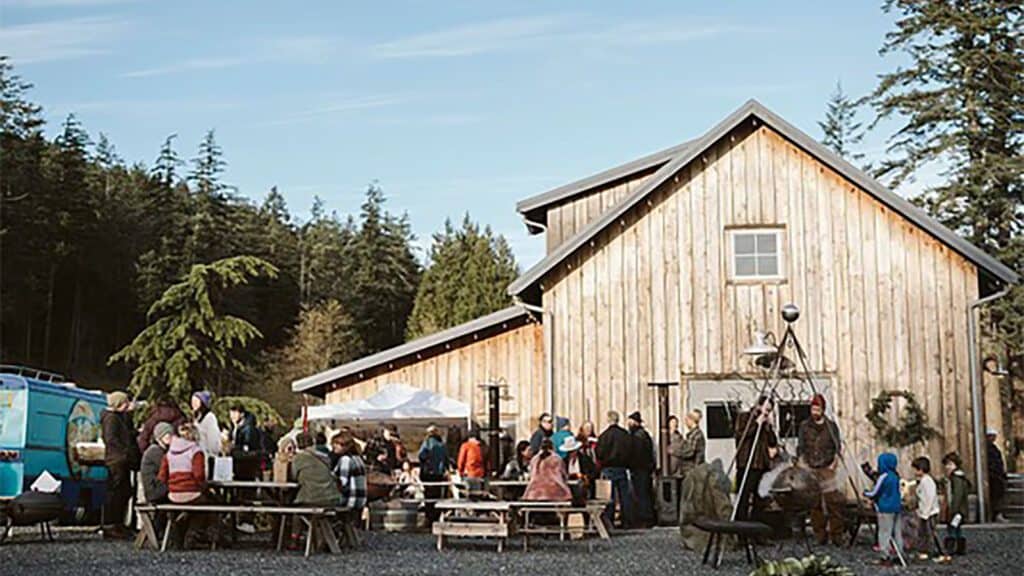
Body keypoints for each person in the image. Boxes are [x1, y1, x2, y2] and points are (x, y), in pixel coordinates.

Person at [797, 394, 845, 545]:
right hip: (811, 467)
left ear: (823, 410)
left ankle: (837, 535)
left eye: (818, 409)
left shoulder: (831, 426)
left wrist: (834, 464)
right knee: (814, 504)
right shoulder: (805, 426)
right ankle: (820, 535)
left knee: (833, 502)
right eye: (813, 408)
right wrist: (802, 464)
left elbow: (837, 447)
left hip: (827, 466)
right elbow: (801, 447)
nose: (815, 412)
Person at [159, 423, 217, 547]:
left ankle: (178, 536)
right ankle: (194, 533)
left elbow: (162, 476)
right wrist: (205, 487)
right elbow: (199, 476)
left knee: (186, 509)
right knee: (210, 504)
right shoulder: (196, 452)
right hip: (191, 493)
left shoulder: (169, 453)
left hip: (173, 495)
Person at [101, 391, 140, 539]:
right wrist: (125, 452)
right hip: (117, 460)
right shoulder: (111, 419)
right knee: (116, 492)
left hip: (119, 459)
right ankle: (112, 524)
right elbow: (111, 439)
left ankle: (118, 523)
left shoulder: (117, 417)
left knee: (124, 491)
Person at [734, 396, 778, 522]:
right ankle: (742, 532)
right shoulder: (745, 418)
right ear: (759, 405)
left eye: (769, 411)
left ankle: (757, 531)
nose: (766, 413)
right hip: (747, 463)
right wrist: (756, 423)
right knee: (744, 498)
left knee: (760, 499)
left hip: (761, 465)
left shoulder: (765, 423)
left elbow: (772, 442)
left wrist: (769, 427)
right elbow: (741, 436)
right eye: (766, 409)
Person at [863, 452, 904, 566]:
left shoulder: (883, 477)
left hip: (885, 509)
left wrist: (866, 493)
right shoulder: (895, 476)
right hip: (896, 508)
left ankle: (885, 556)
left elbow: (875, 492)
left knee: (884, 533)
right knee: (897, 532)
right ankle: (899, 554)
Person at [596, 411, 634, 528]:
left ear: (608, 420)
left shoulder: (604, 436)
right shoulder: (625, 435)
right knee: (624, 497)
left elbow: (599, 453)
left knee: (609, 497)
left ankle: (609, 522)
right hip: (622, 467)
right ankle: (627, 521)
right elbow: (630, 451)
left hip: (608, 468)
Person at [291, 432, 341, 507]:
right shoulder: (324, 456)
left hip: (310, 498)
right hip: (331, 496)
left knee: (293, 505)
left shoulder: (298, 458)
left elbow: (293, 476)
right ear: (313, 442)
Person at [937, 452, 970, 561]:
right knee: (956, 528)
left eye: (950, 464)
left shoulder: (957, 478)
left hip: (956, 509)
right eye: (946, 465)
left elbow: (958, 495)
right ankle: (959, 548)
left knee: (952, 528)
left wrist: (954, 509)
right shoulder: (953, 478)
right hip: (957, 508)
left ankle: (952, 548)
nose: (948, 467)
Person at [911, 456, 943, 561]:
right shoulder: (922, 481)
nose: (914, 472)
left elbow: (930, 498)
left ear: (921, 469)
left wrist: (926, 513)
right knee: (923, 532)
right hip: (924, 511)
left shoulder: (927, 481)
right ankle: (924, 551)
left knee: (930, 533)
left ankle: (936, 551)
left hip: (930, 512)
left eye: (915, 469)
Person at [627, 411, 656, 527]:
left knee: (642, 494)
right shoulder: (643, 435)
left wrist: (631, 464)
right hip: (644, 468)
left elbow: (638, 454)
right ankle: (646, 517)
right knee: (644, 493)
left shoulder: (638, 436)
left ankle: (644, 518)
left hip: (640, 469)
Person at [418, 424, 449, 524]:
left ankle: (429, 517)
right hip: (439, 474)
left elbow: (421, 456)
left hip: (428, 473)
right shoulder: (442, 444)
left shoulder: (427, 443)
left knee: (428, 496)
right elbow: (446, 459)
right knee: (437, 495)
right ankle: (437, 515)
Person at [332, 432, 367, 516]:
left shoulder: (345, 460)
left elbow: (343, 482)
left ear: (346, 446)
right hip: (360, 499)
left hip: (349, 500)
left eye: (338, 444)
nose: (334, 446)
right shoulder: (358, 458)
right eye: (334, 443)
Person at [140, 422, 173, 504]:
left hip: (159, 488)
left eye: (170, 434)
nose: (169, 436)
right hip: (155, 491)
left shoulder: (162, 450)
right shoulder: (155, 451)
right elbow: (170, 468)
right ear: (159, 437)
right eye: (166, 434)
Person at [561, 436, 595, 505]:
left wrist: (584, 476)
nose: (572, 454)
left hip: (582, 485)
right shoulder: (564, 461)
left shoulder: (585, 459)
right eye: (569, 452)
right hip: (568, 486)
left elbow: (593, 472)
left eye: (573, 451)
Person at [190, 391, 221, 457]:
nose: (193, 403)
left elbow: (214, 442)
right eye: (192, 401)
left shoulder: (210, 418)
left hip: (207, 457)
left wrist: (212, 454)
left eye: (196, 401)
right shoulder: (195, 418)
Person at [986, 428, 1007, 521]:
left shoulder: (993, 448)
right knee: (996, 496)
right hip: (993, 476)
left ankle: (997, 513)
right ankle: (996, 514)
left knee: (998, 495)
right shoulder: (988, 448)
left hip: (997, 475)